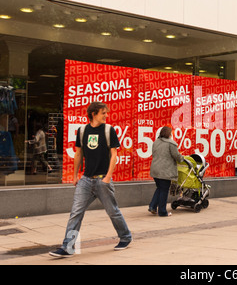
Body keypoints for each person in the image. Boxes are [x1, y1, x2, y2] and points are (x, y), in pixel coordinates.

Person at [49, 102, 132, 257]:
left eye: (106, 113)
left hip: (103, 180)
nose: (106, 115)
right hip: (86, 180)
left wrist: (108, 176)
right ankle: (68, 247)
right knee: (76, 212)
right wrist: (74, 176)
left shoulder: (109, 130)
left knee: (113, 211)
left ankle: (126, 237)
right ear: (93, 114)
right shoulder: (82, 131)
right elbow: (78, 154)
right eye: (103, 113)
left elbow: (114, 154)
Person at [149, 126, 184, 216]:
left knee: (160, 188)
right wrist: (182, 158)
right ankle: (162, 212)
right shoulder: (171, 144)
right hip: (165, 171)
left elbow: (154, 154)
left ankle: (152, 206)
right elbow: (177, 156)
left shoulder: (156, 142)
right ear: (169, 134)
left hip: (155, 170)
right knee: (164, 190)